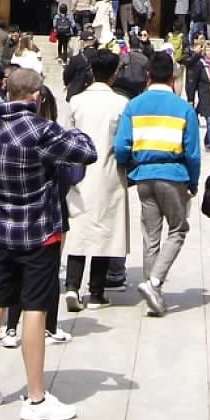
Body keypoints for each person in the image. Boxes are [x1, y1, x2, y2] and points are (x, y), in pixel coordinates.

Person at [0, 65, 96, 420]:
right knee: (35, 310)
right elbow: (86, 151)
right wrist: (67, 128)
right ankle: (36, 398)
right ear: (37, 96)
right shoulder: (41, 130)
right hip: (38, 231)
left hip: (0, 230)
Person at [115, 50, 203, 316]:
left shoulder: (134, 105)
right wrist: (194, 181)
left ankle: (153, 294)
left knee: (150, 236)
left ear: (148, 76)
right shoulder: (183, 108)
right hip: (173, 174)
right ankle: (154, 282)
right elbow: (193, 152)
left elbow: (121, 146)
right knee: (177, 230)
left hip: (144, 175)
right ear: (174, 78)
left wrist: (130, 164)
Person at [62, 48, 134, 312]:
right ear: (114, 75)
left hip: (79, 173)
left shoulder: (76, 101)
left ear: (91, 72)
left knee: (79, 230)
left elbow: (67, 137)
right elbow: (126, 141)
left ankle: (71, 286)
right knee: (105, 232)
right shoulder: (121, 103)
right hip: (109, 171)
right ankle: (96, 292)